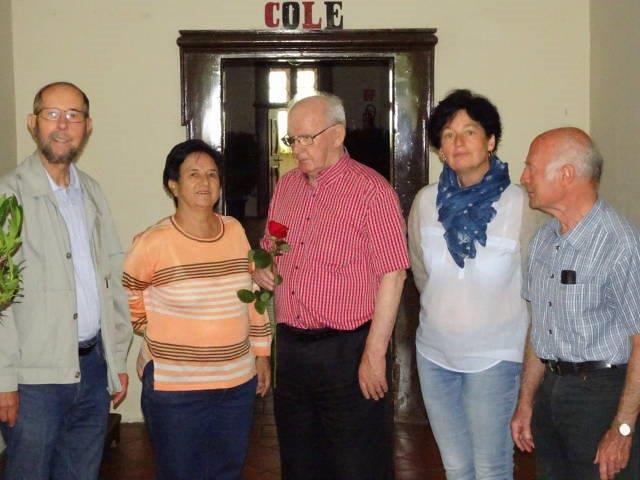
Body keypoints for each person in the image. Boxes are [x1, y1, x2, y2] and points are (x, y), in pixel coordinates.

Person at [253, 92, 408, 480]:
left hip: (347, 350)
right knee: (299, 462)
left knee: (358, 464)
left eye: (307, 138)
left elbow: (393, 274)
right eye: (292, 140)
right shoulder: (286, 187)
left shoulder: (372, 191)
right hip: (291, 349)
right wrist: (261, 267)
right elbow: (269, 247)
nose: (297, 150)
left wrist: (374, 353)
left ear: (337, 135)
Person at [0, 81, 132, 479]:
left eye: (74, 115)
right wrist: (4, 379)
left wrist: (116, 358)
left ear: (87, 126)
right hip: (34, 382)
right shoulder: (8, 197)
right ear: (32, 123)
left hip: (92, 370)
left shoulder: (91, 192)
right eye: (52, 114)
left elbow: (112, 277)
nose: (62, 125)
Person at [408, 89, 542, 479]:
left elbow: (538, 287)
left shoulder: (521, 204)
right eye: (448, 135)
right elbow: (421, 273)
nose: (458, 142)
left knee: (491, 467)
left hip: (496, 358)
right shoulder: (425, 203)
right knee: (455, 466)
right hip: (434, 355)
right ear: (439, 149)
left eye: (469, 132)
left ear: (491, 140)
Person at [122, 139, 272, 480]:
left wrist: (262, 354)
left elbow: (251, 296)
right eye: (193, 174)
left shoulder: (234, 230)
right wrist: (148, 326)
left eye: (212, 174)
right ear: (173, 185)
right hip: (176, 388)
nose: (205, 182)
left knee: (227, 470)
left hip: (236, 383)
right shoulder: (153, 241)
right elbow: (128, 291)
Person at [510, 127, 640, 479]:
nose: (524, 178)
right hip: (551, 391)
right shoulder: (543, 239)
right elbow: (540, 327)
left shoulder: (619, 243)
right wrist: (526, 402)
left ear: (566, 175)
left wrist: (623, 429)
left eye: (531, 168)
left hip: (601, 395)